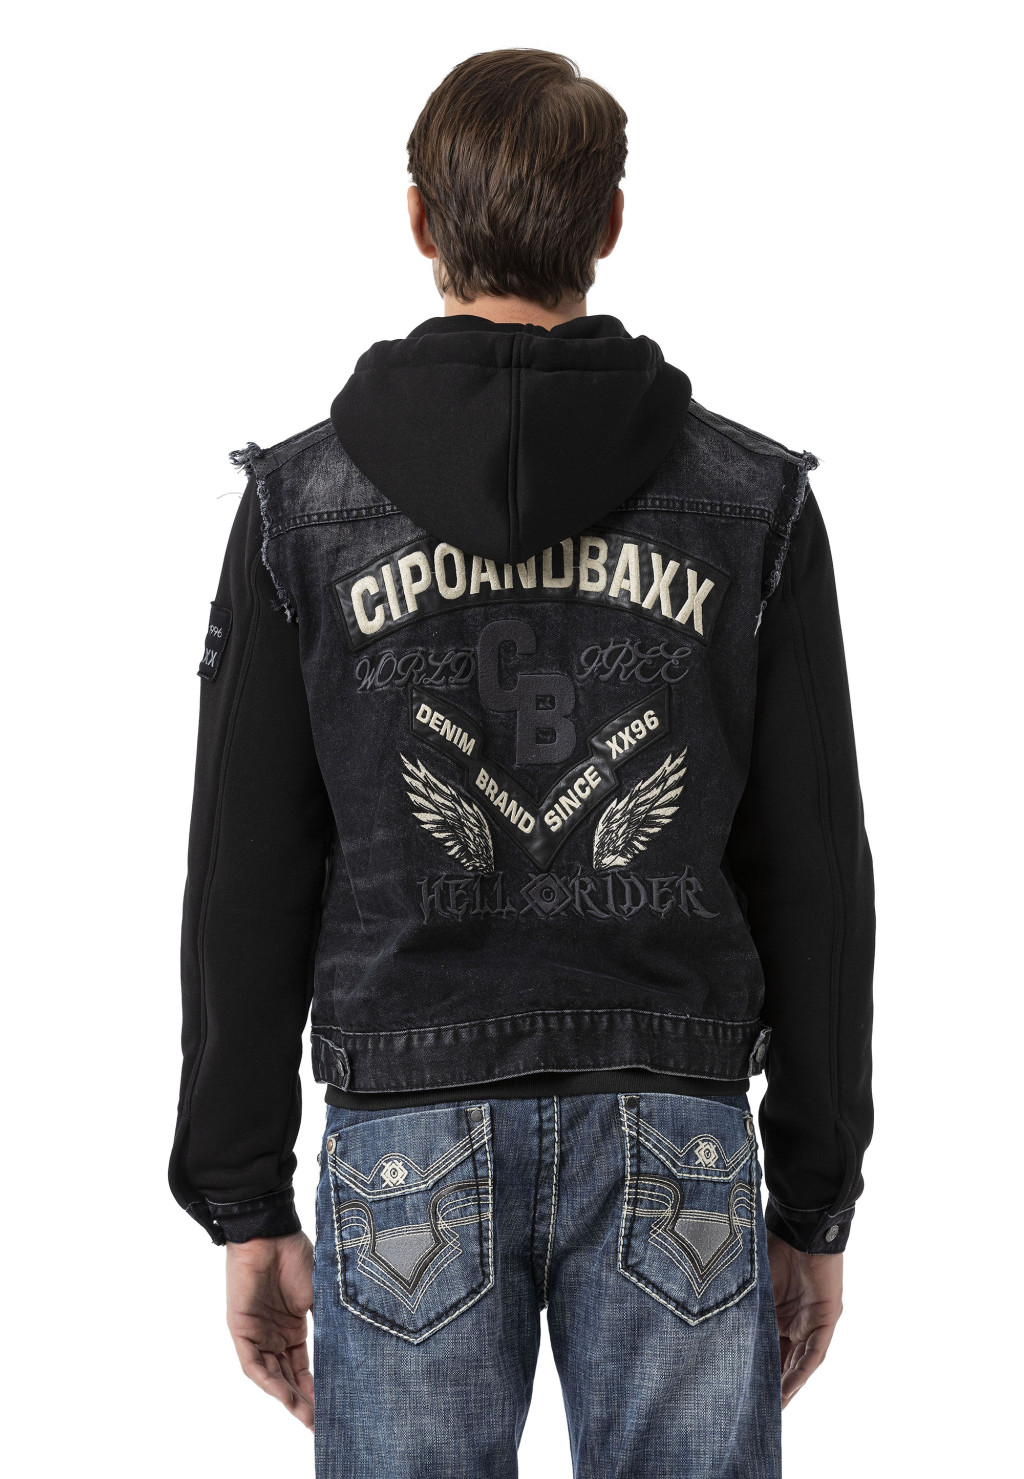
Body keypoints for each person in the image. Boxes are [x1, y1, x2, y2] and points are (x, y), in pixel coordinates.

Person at [170, 47, 874, 1479]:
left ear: (420, 222)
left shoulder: (302, 511)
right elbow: (815, 871)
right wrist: (815, 1195)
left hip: (405, 1131)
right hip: (675, 1119)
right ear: (610, 221)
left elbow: (245, 870)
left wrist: (244, 1197)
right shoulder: (750, 505)